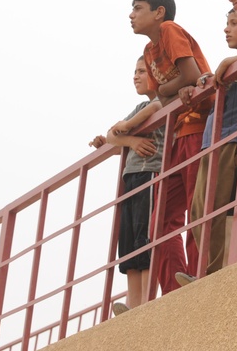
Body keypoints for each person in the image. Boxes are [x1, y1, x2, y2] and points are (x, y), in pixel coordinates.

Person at [130, 0, 211, 294]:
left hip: (198, 123)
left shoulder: (169, 30)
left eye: (138, 8)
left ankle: (201, 273)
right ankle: (176, 286)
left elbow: (191, 74)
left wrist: (169, 91)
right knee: (161, 221)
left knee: (197, 205)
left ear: (159, 12)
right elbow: (161, 99)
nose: (131, 15)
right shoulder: (150, 51)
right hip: (178, 132)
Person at [175, 10, 237, 285]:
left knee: (218, 208)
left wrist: (222, 67)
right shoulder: (234, 61)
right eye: (226, 24)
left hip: (231, 137)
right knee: (200, 211)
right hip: (211, 141)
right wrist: (203, 81)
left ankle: (216, 274)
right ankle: (209, 271)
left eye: (234, 23)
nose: (226, 29)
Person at [88, 56, 163, 315]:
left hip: (150, 172)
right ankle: (133, 302)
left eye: (142, 71)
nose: (136, 76)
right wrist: (129, 141)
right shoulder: (141, 105)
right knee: (128, 240)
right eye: (135, 71)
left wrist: (125, 132)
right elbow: (112, 134)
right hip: (131, 175)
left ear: (157, 73)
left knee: (145, 235)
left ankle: (145, 300)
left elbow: (154, 110)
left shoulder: (162, 99)